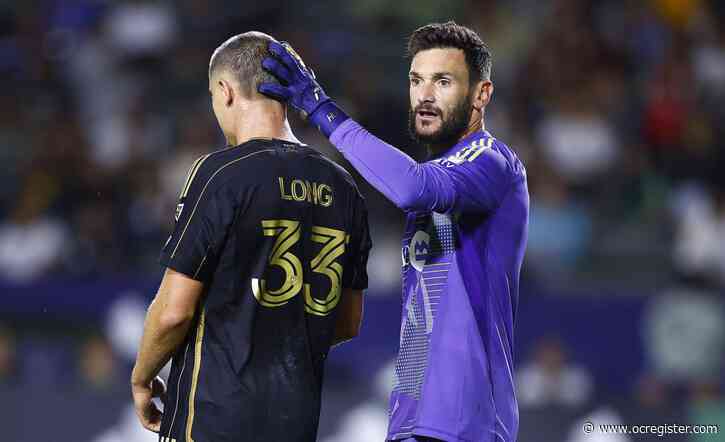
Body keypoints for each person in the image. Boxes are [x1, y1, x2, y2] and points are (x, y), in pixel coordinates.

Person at [261, 21, 528, 442]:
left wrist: (320, 108)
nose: (424, 95)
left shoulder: (491, 160)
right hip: (416, 416)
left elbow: (410, 187)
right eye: (416, 80)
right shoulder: (442, 174)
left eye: (443, 81)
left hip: (465, 421)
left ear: (481, 95)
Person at [130, 31, 372, 442]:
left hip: (212, 419)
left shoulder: (221, 174)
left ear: (225, 91)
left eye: (211, 96)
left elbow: (174, 311)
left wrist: (142, 377)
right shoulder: (345, 188)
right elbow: (347, 321)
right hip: (294, 425)